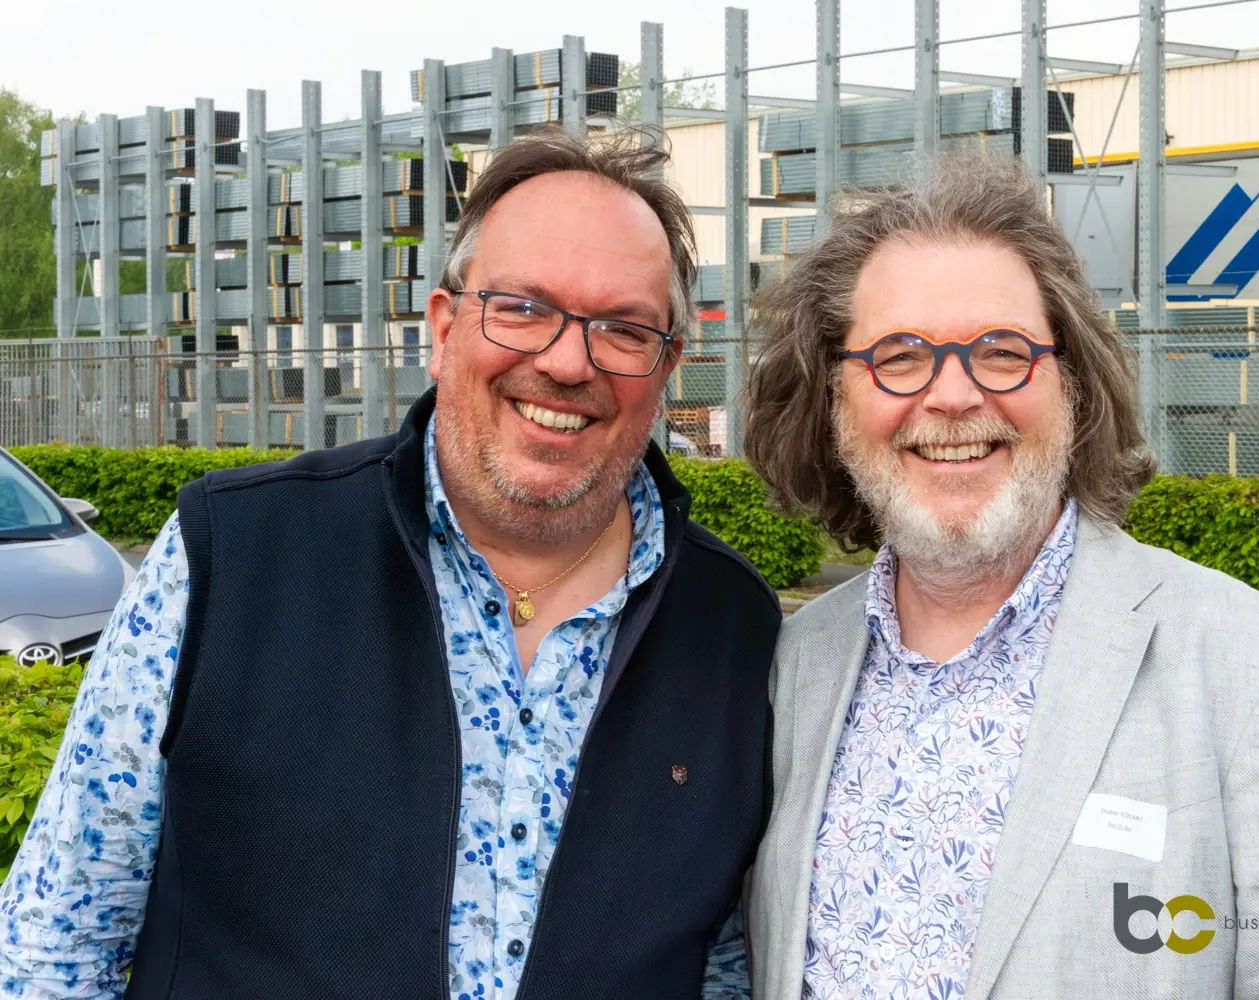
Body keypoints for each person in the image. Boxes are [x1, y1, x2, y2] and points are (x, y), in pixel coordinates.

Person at [0, 126, 778, 1000]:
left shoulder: (736, 627)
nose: (568, 361)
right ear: (443, 330)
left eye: (624, 329)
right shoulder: (230, 557)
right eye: (523, 307)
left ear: (667, 366)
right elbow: (53, 945)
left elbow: (722, 966)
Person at [739, 151, 1259, 999]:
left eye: (1001, 351)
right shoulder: (791, 669)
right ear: (831, 398)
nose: (952, 396)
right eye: (900, 356)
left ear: (1074, 384)